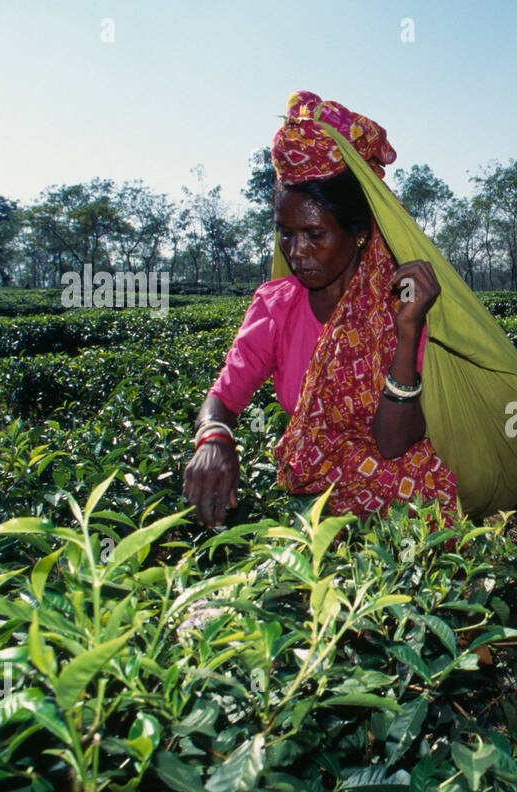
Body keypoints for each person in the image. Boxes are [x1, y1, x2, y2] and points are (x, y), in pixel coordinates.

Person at [184, 93, 461, 529]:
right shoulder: (275, 307)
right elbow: (223, 397)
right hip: (313, 498)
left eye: (314, 234)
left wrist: (408, 330)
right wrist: (213, 439)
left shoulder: (399, 303)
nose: (297, 253)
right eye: (286, 234)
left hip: (398, 502)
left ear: (358, 234)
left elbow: (392, 444)